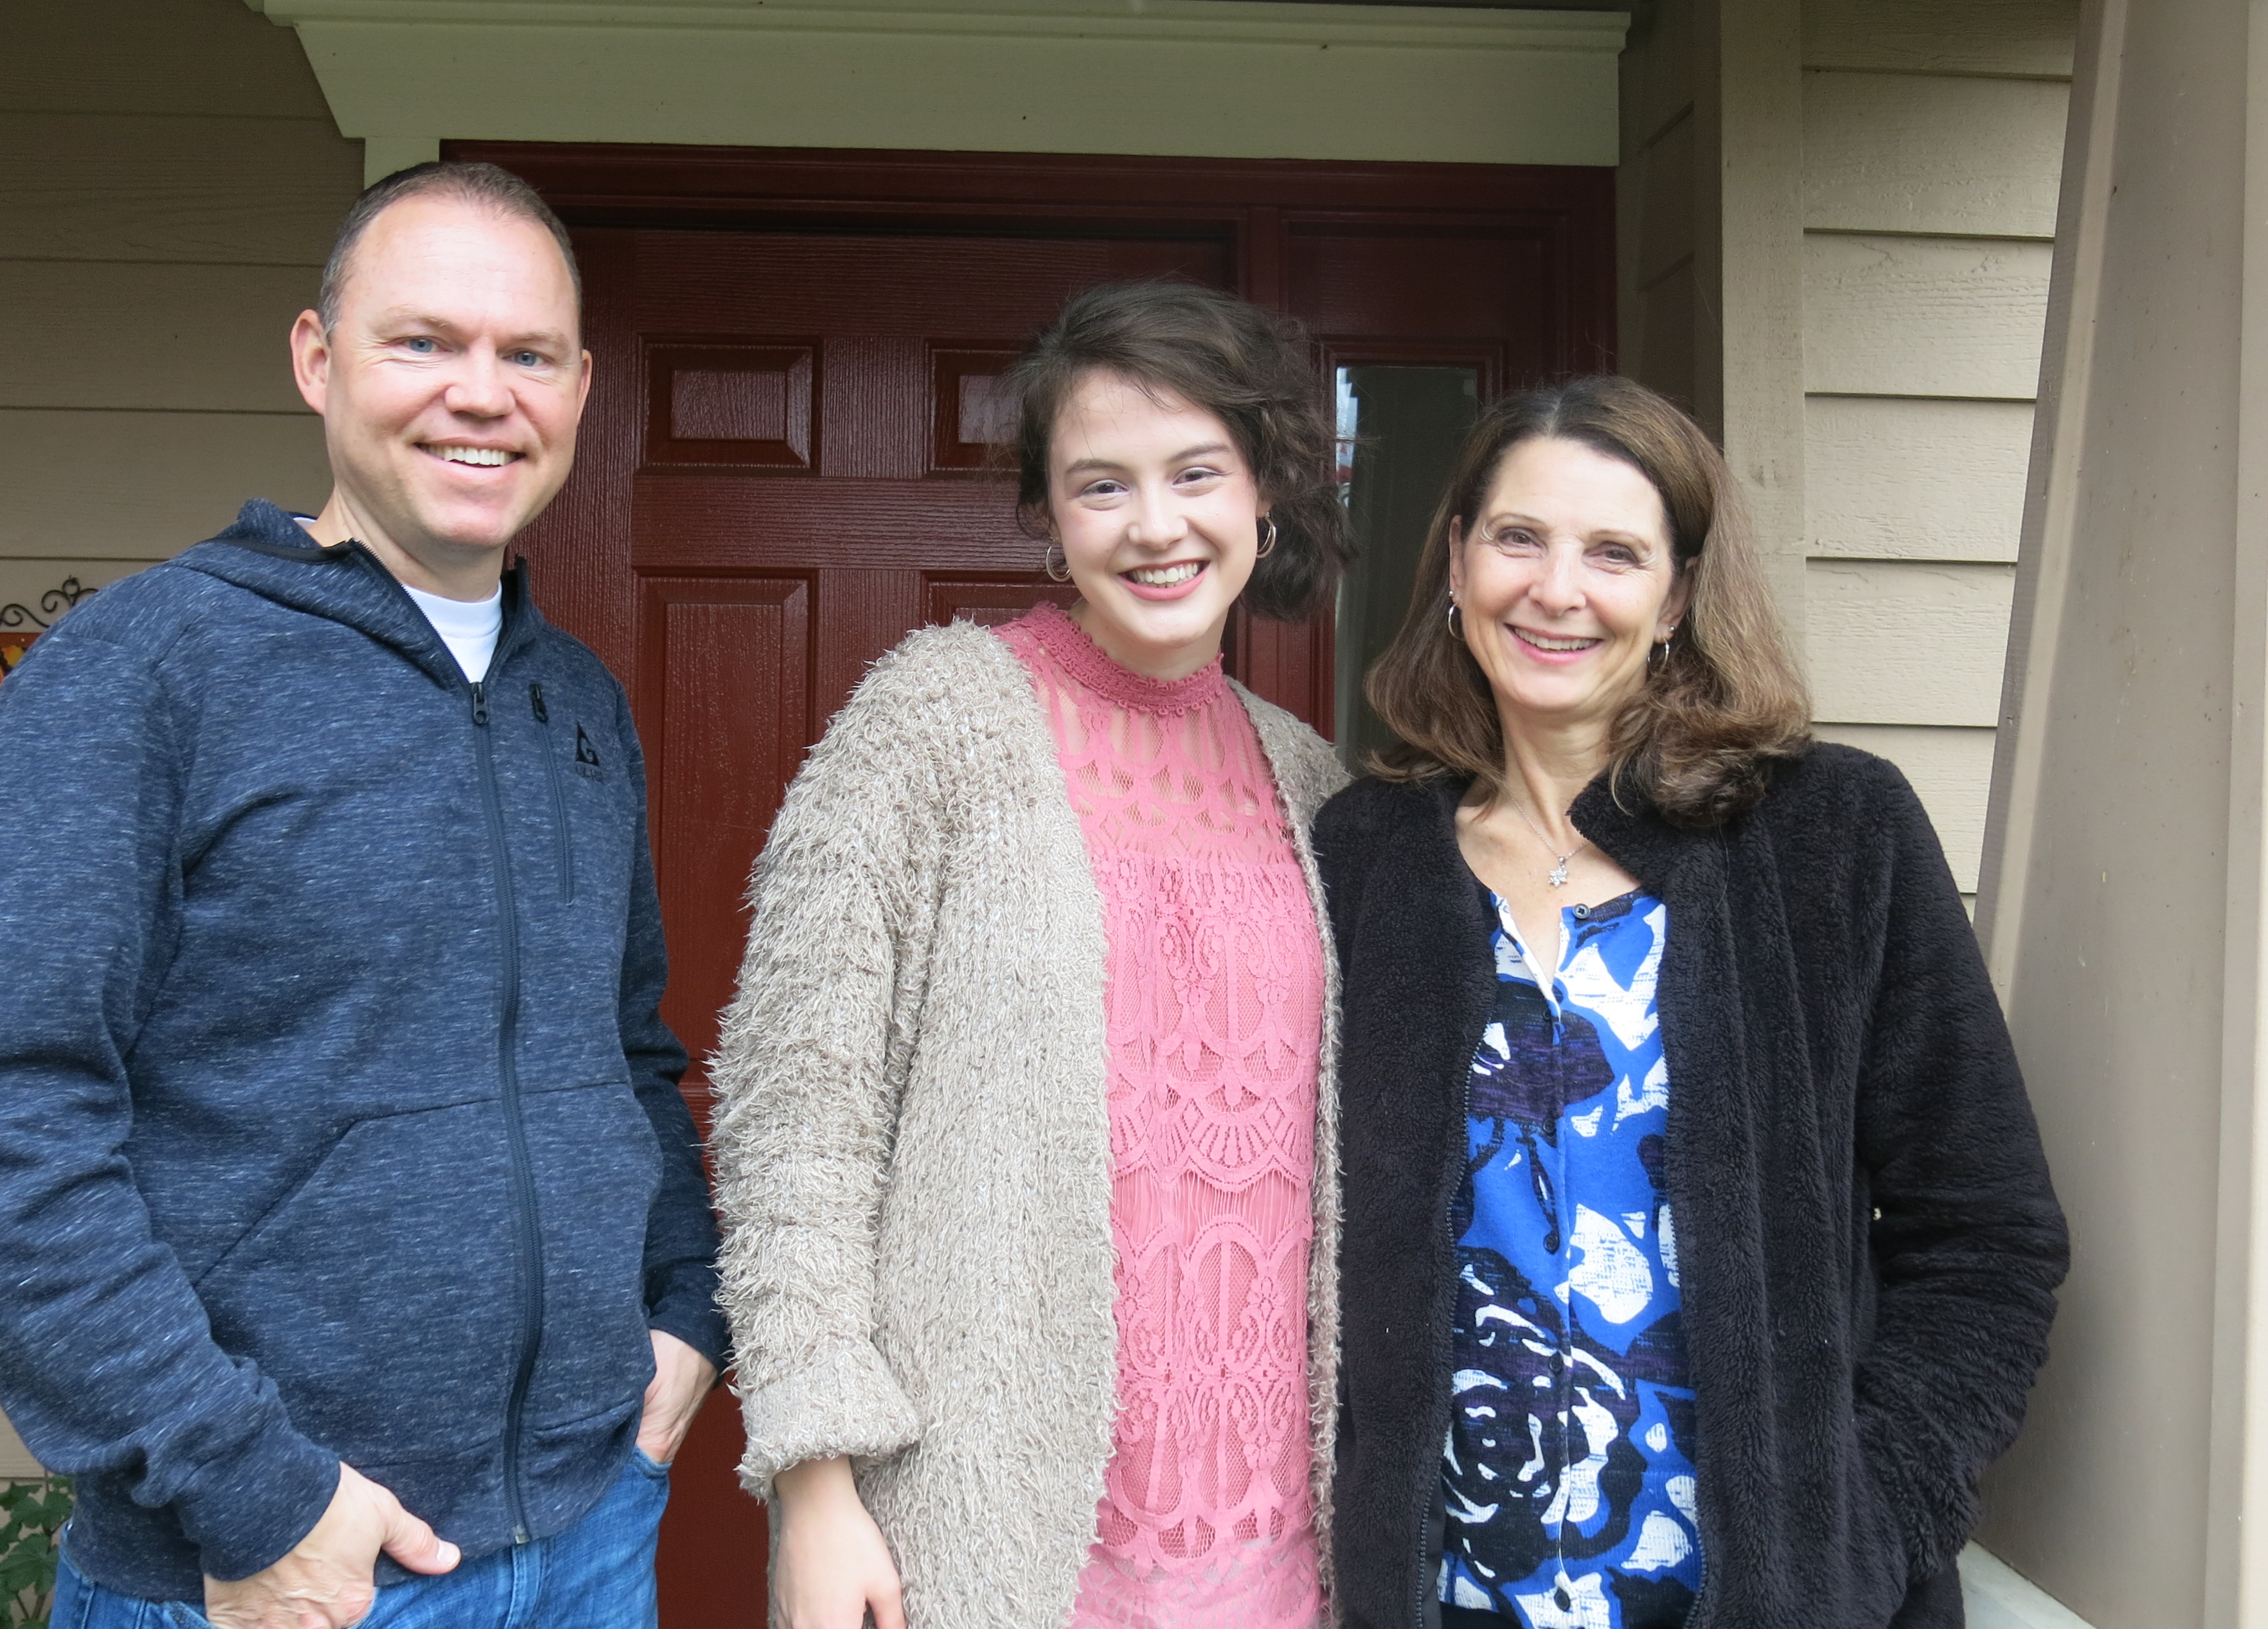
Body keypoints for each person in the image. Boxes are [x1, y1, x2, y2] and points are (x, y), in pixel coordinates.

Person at [0, 162, 722, 1629]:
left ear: (580, 386)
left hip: (590, 1533)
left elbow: (626, 1057)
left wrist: (685, 1317)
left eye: (525, 354)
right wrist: (253, 1495)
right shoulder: (145, 672)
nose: (482, 394)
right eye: (423, 343)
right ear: (315, 358)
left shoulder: (577, 706)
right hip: (284, 1571)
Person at [1313, 375, 2068, 1629]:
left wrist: (1861, 1523)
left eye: (1612, 552)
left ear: (1672, 596)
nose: (1556, 590)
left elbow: (1984, 1232)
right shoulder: (1366, 853)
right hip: (1440, 1594)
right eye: (1517, 538)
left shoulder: (1829, 833)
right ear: (1454, 560)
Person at [709, 281, 1355, 1629]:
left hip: (1280, 1551)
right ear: (1049, 517)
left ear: (1263, 494)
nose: (1155, 525)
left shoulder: (1309, 783)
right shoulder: (931, 725)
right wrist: (814, 1487)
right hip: (989, 1534)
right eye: (1100, 485)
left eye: (1195, 474)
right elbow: (795, 1120)